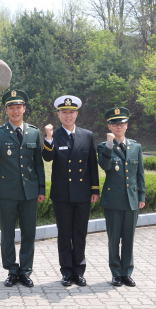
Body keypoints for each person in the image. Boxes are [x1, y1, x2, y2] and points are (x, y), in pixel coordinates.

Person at [0, 89, 45, 287]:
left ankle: (25, 271)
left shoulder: (33, 132)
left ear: (24, 108)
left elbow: (38, 163)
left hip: (29, 191)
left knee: (28, 232)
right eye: (11, 108)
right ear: (6, 110)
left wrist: (41, 189)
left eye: (19, 107)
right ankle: (11, 270)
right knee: (7, 232)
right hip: (7, 191)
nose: (15, 111)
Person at [42, 95, 99, 287]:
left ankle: (79, 270)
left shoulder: (87, 135)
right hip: (62, 194)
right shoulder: (54, 135)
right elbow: (47, 157)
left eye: (72, 112)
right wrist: (48, 138)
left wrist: (95, 189)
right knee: (65, 233)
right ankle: (66, 271)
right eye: (64, 112)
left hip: (82, 193)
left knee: (80, 233)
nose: (68, 115)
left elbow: (92, 164)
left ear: (77, 114)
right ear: (58, 114)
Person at [97, 107, 145, 287]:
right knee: (114, 239)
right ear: (109, 126)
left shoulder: (136, 146)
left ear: (127, 125)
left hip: (132, 200)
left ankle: (127, 272)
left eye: (122, 123)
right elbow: (106, 166)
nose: (119, 126)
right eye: (115, 124)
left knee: (129, 238)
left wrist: (141, 195)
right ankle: (116, 273)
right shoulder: (103, 146)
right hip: (113, 201)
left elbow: (139, 174)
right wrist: (109, 145)